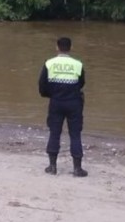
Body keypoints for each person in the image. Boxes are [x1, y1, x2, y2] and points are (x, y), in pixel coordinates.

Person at [38, 37, 88, 177]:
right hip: (74, 103)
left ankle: (52, 167)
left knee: (54, 133)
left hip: (56, 102)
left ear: (57, 47)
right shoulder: (77, 64)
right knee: (75, 134)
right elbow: (81, 83)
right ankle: (77, 169)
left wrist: (50, 95)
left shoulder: (49, 63)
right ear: (70, 48)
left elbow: (42, 85)